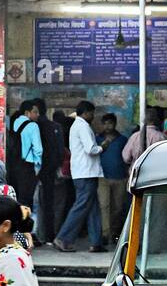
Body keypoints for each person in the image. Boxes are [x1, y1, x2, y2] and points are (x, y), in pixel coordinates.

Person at [54, 101, 104, 253]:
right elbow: (91, 149)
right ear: (87, 112)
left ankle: (96, 242)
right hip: (86, 173)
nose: (93, 116)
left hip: (84, 172)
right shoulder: (82, 126)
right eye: (92, 113)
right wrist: (104, 146)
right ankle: (63, 238)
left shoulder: (78, 126)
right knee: (82, 206)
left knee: (92, 208)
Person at [31, 99, 65, 245]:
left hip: (32, 171)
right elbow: (60, 151)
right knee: (49, 204)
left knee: (33, 204)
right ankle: (50, 237)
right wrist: (55, 166)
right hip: (50, 171)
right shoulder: (55, 127)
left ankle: (34, 236)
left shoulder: (31, 127)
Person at [96, 113, 128, 245]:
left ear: (115, 124)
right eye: (105, 123)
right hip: (102, 177)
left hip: (120, 177)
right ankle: (105, 234)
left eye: (110, 123)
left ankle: (114, 232)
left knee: (118, 207)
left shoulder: (122, 140)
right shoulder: (98, 139)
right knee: (104, 206)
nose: (108, 126)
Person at [8, 101, 41, 214]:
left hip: (13, 166)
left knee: (16, 200)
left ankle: (16, 229)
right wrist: (37, 168)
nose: (38, 115)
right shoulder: (33, 126)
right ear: (27, 113)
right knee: (26, 201)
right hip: (27, 167)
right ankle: (25, 229)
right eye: (35, 112)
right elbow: (38, 149)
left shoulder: (13, 123)